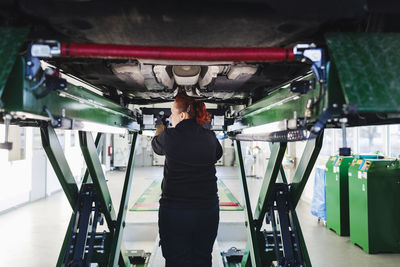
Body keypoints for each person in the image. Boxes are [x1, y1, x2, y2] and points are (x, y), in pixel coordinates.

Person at [152, 94, 223, 267]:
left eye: (172, 113)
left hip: (176, 212)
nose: (170, 117)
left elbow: (156, 146)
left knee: (176, 260)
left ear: (183, 115)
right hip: (207, 211)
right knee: (203, 258)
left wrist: (160, 125)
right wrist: (204, 129)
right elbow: (217, 154)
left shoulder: (169, 136)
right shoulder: (210, 137)